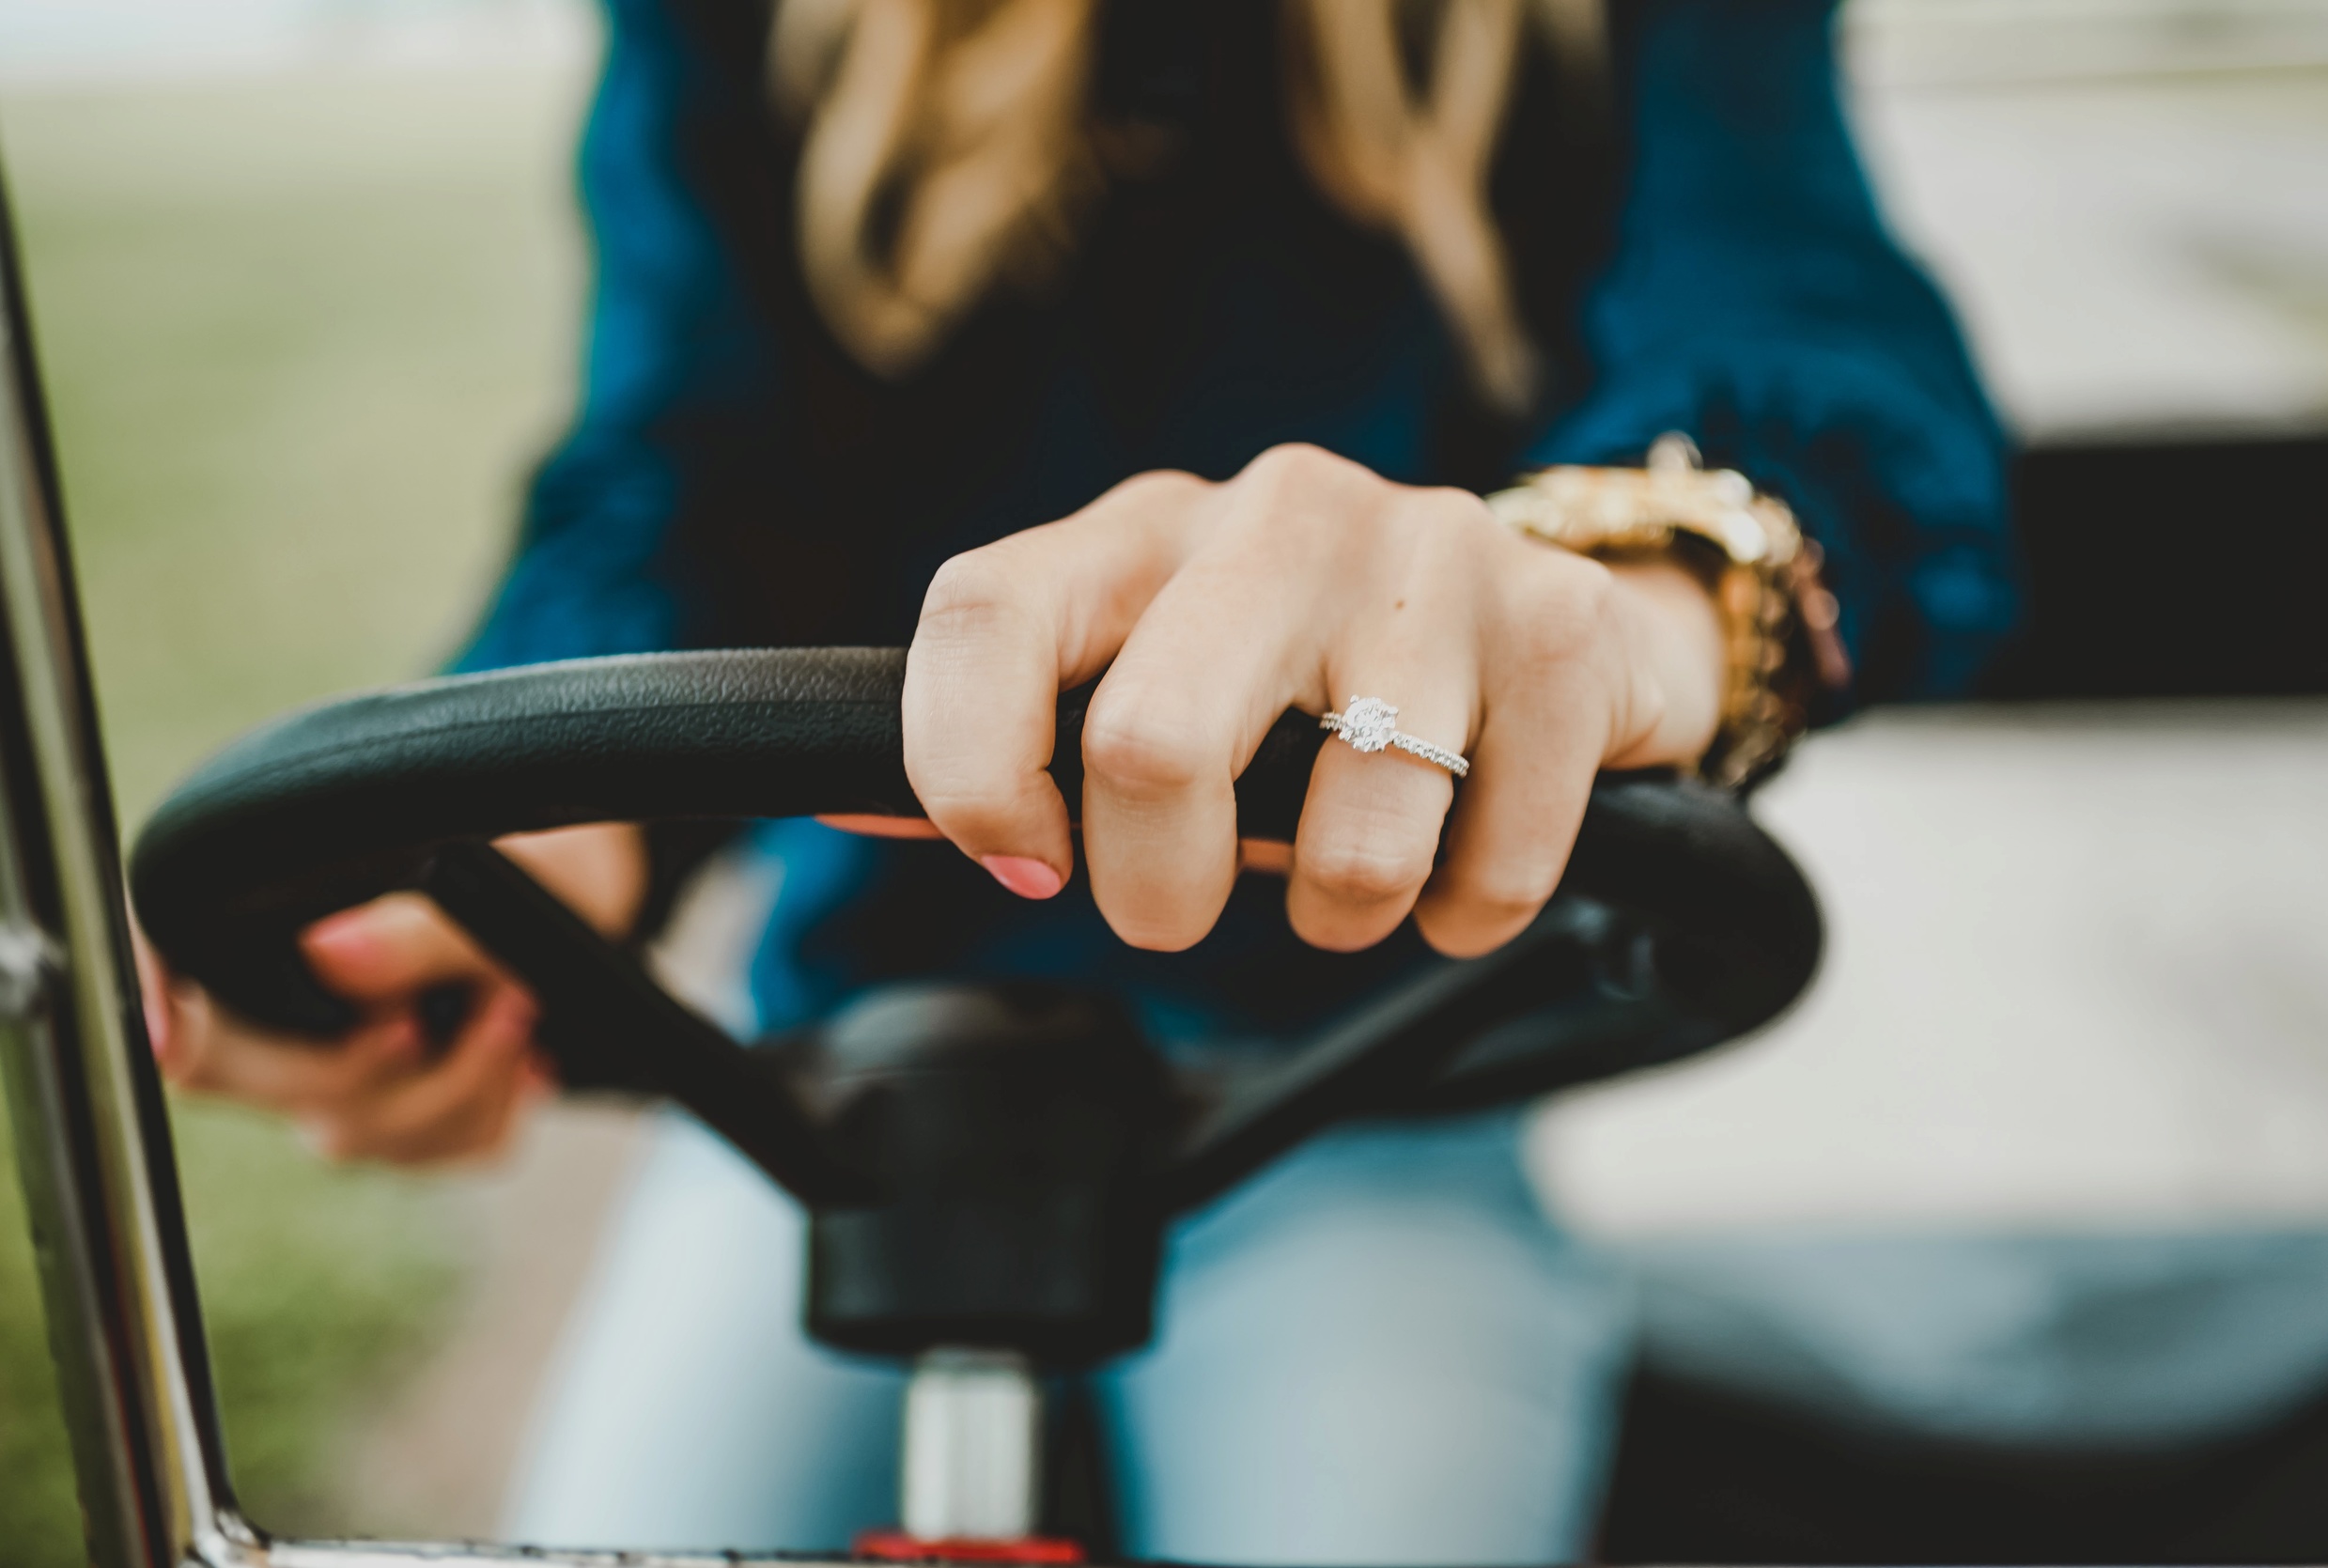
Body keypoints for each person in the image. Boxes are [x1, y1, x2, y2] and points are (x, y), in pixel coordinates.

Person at [138, 0, 2015, 1560]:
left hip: (1359, 1093)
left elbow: (1789, 325)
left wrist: (1614, 607)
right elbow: (680, 468)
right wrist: (541, 862)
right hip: (836, 1096)